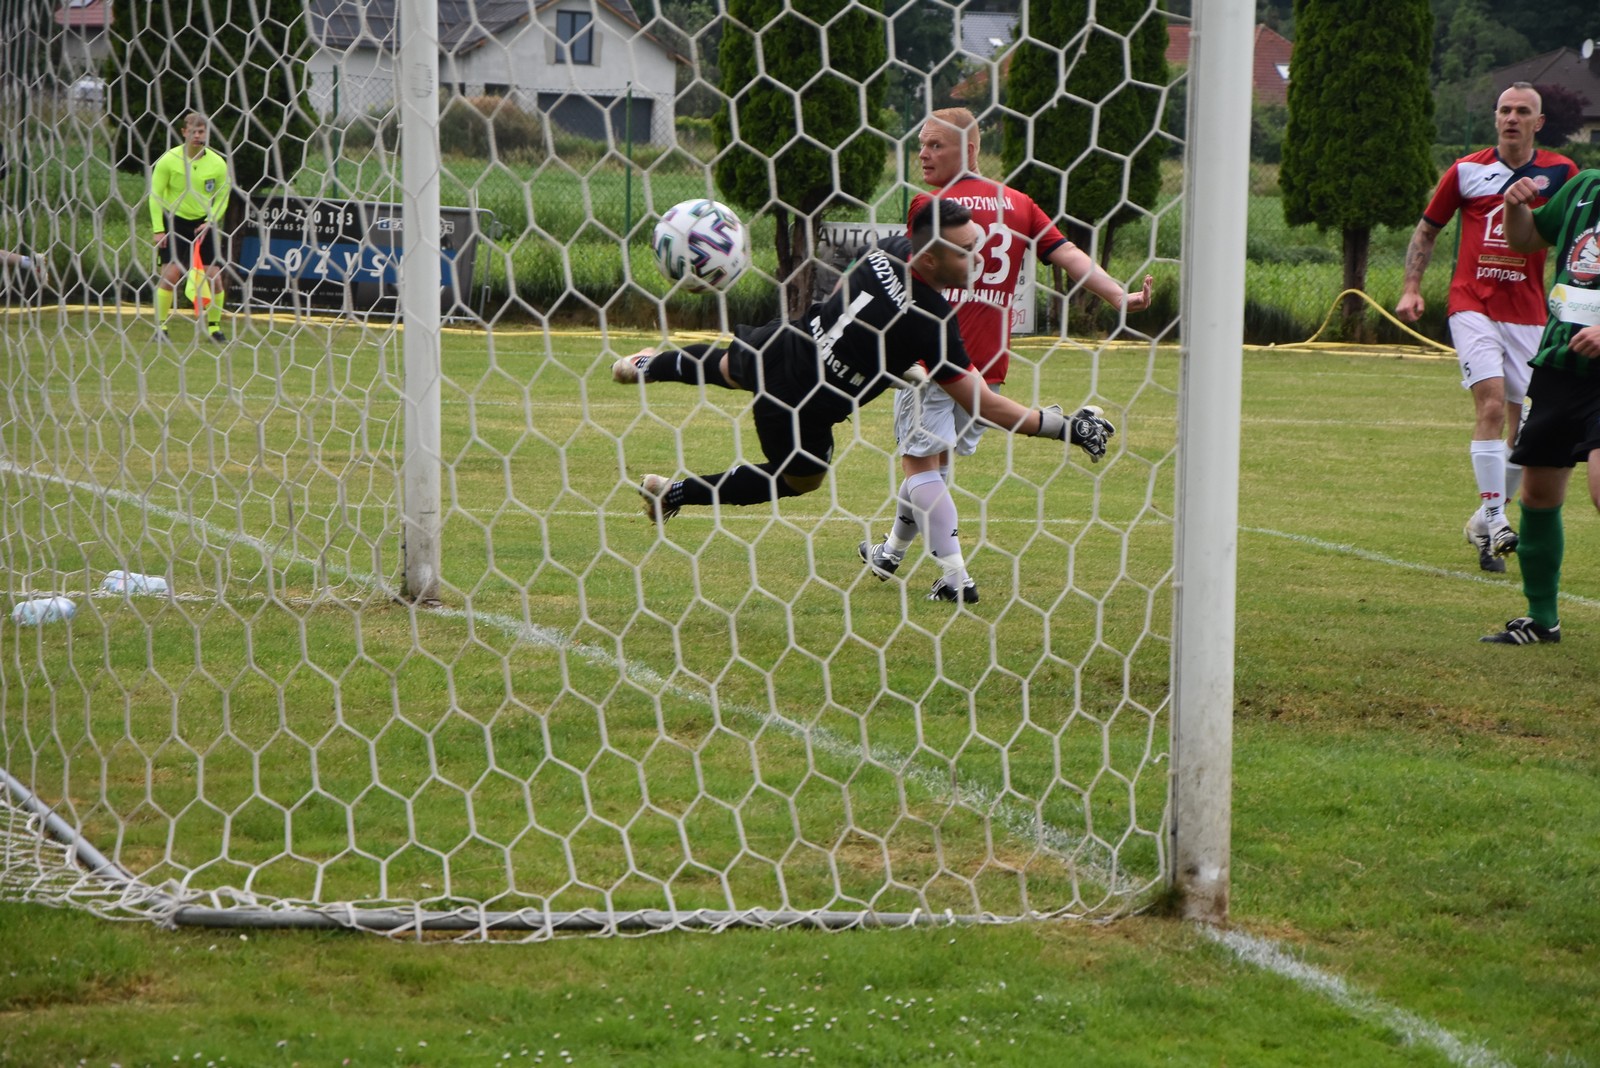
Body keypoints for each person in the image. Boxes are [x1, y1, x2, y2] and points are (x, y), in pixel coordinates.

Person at [611, 198, 1116, 594]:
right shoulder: (933, 320)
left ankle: (647, 365)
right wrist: (1063, 427)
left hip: (789, 345)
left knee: (729, 365)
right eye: (964, 250)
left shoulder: (886, 253)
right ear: (931, 254)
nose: (977, 256)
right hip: (806, 407)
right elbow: (984, 405)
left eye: (976, 244)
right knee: (800, 480)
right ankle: (673, 492)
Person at [857, 107, 1153, 603]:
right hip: (989, 363)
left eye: (936, 145)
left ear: (969, 149)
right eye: (922, 144)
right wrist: (1118, 296)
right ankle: (889, 552)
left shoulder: (932, 207)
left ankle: (956, 580)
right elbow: (1067, 253)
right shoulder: (1016, 203)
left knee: (920, 467)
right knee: (932, 468)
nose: (923, 154)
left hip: (934, 359)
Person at [1396, 83, 1577, 573]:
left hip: (1530, 315)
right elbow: (1427, 229)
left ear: (1539, 122)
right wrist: (1412, 286)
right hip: (1471, 304)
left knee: (1533, 433)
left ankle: (1480, 522)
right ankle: (1497, 519)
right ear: (1495, 118)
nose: (1511, 118)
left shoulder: (1562, 173)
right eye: (1504, 110)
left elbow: (1576, 239)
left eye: (1523, 111)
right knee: (1492, 404)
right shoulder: (1467, 170)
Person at [1478, 167, 1600, 644]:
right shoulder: (1585, 186)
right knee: (1538, 496)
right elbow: (1526, 239)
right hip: (1557, 365)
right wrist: (1514, 205)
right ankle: (1542, 619)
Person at [149, 112, 231, 342]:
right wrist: (158, 229)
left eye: (201, 131)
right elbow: (155, 196)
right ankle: (161, 327)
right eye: (193, 131)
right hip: (174, 222)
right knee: (171, 274)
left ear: (207, 133)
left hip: (203, 224)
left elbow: (223, 195)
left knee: (214, 276)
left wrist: (211, 220)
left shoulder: (217, 164)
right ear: (184, 133)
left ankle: (214, 328)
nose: (197, 135)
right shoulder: (168, 161)